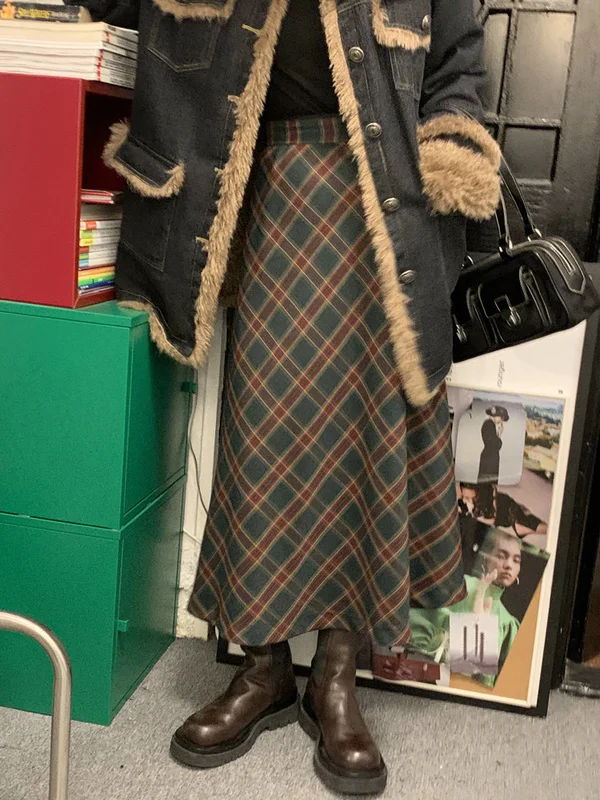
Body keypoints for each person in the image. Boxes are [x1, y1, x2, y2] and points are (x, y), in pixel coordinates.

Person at [69, 0, 500, 794]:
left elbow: (458, 67)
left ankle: (335, 674)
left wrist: (451, 160)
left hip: (390, 203)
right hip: (272, 190)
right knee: (264, 436)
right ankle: (263, 666)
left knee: (366, 439)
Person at [408, 528, 521, 687]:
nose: (509, 565)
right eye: (501, 556)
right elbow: (414, 632)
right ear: (485, 558)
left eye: (516, 560)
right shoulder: (459, 587)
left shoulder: (508, 623)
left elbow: (488, 683)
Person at [458, 482, 548, 538]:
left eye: (472, 497)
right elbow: (492, 521)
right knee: (532, 526)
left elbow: (493, 519)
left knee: (527, 527)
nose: (469, 500)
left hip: (511, 510)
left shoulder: (484, 493)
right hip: (508, 517)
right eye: (466, 497)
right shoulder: (469, 510)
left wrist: (493, 499)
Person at [478, 405, 509, 483]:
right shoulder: (489, 424)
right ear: (496, 415)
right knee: (487, 483)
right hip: (489, 461)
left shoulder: (489, 424)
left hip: (488, 459)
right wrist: (500, 435)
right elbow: (495, 445)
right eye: (501, 418)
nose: (501, 421)